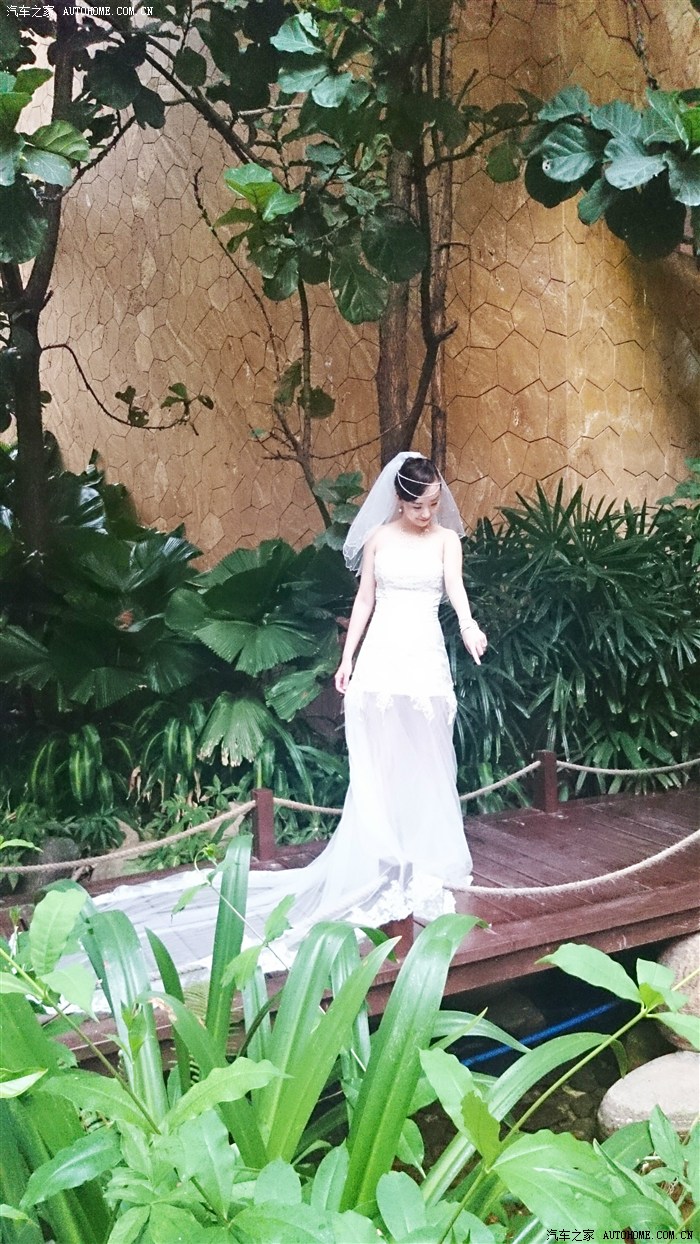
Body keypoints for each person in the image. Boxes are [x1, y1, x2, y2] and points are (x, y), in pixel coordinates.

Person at [90, 452, 486, 981]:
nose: (428, 514)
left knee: (430, 751)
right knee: (382, 757)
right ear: (399, 499)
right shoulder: (378, 540)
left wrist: (469, 627)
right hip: (382, 655)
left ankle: (428, 853)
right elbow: (365, 601)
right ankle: (384, 853)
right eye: (419, 506)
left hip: (425, 655)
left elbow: (456, 592)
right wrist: (347, 660)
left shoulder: (445, 541)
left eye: (434, 504)